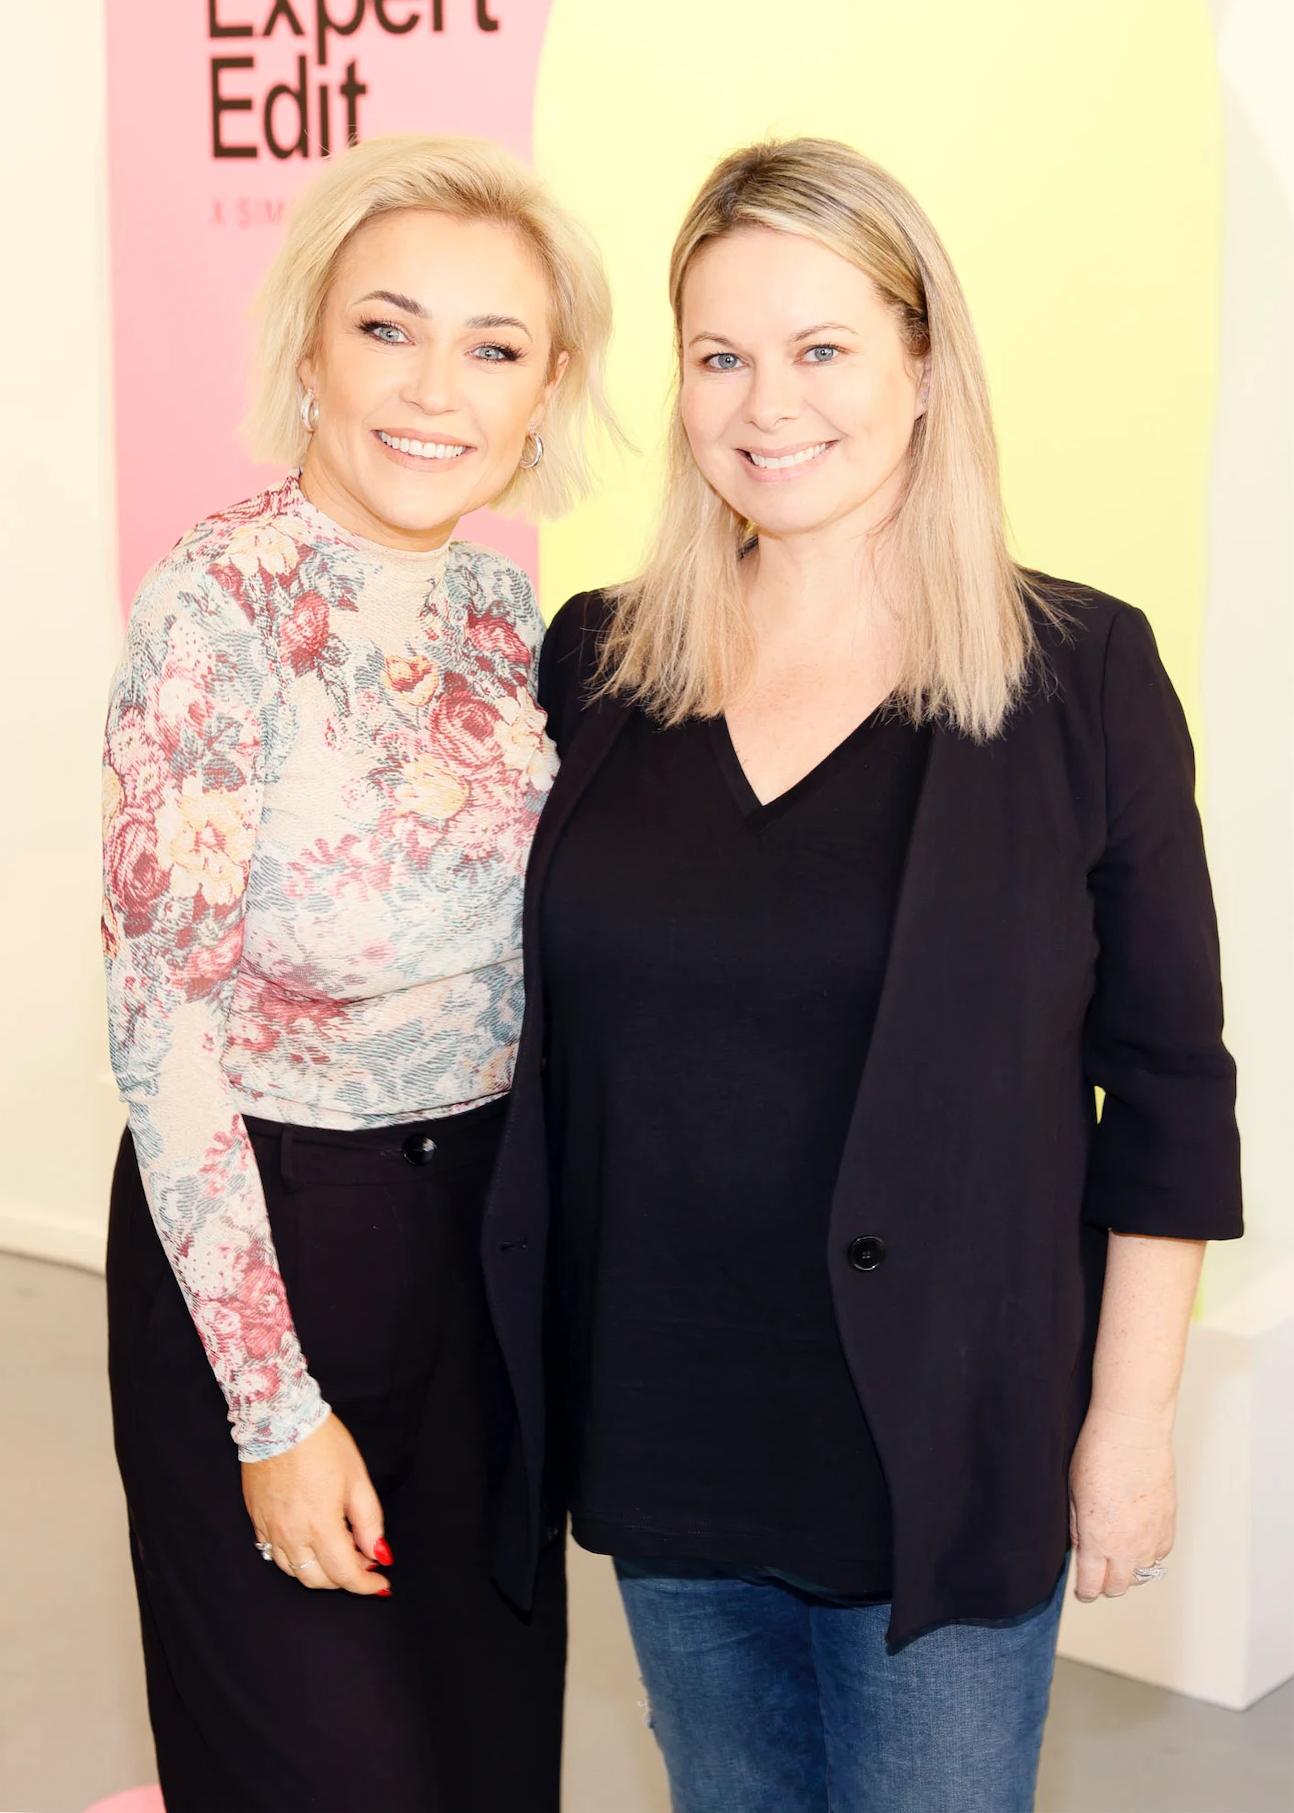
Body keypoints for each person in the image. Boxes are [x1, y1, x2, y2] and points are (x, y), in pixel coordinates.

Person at [486, 138, 1243, 1813]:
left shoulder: (1077, 677)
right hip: (670, 1420)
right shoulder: (599, 663)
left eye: (822, 347)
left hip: (948, 1441)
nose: (769, 404)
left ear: (923, 363)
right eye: (720, 356)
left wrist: (1128, 1430)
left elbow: (1169, 1093)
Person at [102, 133, 615, 1813]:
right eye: (389, 328)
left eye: (495, 347)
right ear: (312, 349)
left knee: (486, 1759)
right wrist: (270, 1408)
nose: (435, 389)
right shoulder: (214, 612)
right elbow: (162, 1031)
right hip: (269, 1242)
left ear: (547, 392)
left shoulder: (507, 618)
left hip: (483, 1257)